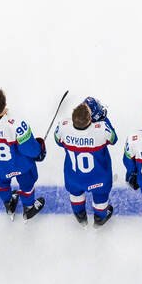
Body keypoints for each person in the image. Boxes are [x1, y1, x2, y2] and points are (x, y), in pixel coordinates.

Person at [0, 88, 47, 219]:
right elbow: (30, 149)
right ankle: (29, 207)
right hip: (21, 166)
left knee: (2, 186)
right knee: (27, 185)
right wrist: (39, 149)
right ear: (5, 104)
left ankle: (8, 204)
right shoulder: (16, 123)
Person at [53, 97, 119, 226]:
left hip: (74, 177)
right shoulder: (102, 130)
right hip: (98, 178)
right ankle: (100, 218)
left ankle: (80, 215)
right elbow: (113, 139)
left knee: (75, 194)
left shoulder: (63, 126)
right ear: (90, 119)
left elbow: (58, 141)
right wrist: (103, 118)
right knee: (100, 196)